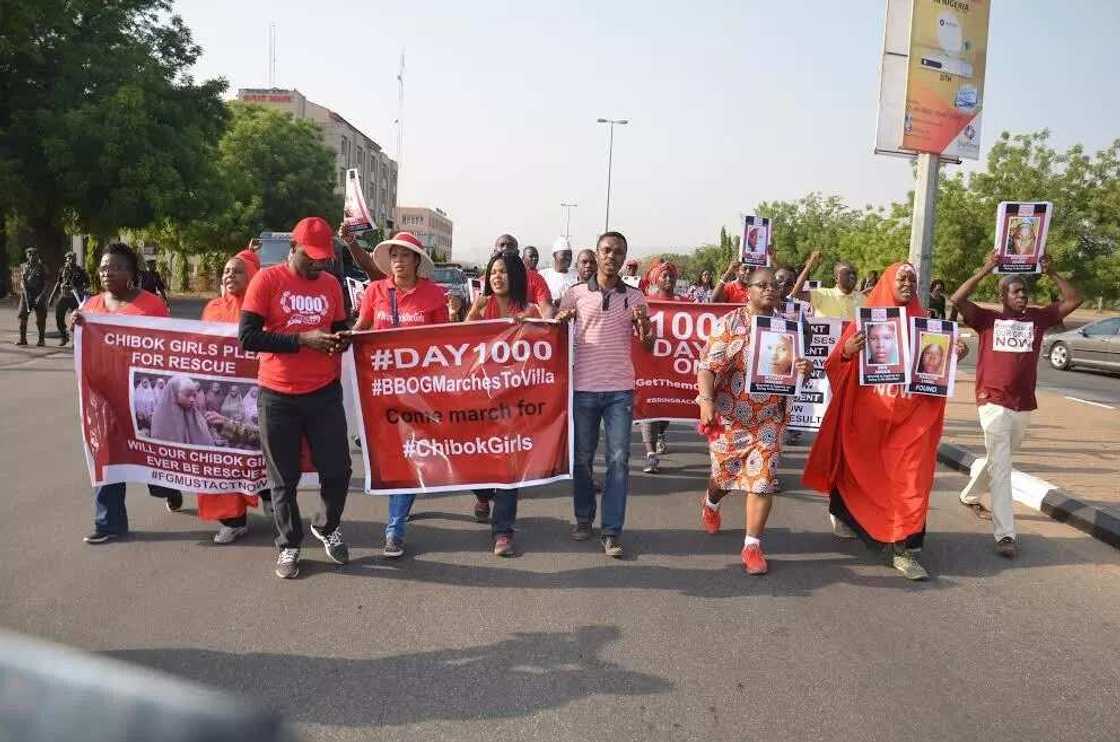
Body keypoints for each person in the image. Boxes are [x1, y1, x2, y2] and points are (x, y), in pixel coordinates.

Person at [802, 262, 968, 580]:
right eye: (901, 278)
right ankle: (848, 514)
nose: (908, 283)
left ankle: (903, 548)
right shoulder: (866, 320)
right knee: (862, 476)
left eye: (913, 280)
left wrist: (955, 353)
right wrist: (848, 351)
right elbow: (835, 364)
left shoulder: (928, 324)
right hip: (868, 420)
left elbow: (935, 366)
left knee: (912, 480)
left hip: (913, 419)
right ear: (888, 282)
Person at [239, 216, 353, 579]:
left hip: (323, 391)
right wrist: (301, 340)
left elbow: (337, 328)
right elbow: (248, 337)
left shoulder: (332, 285)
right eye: (311, 256)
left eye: (324, 257)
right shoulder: (267, 280)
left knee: (338, 470)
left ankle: (326, 524)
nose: (318, 263)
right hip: (278, 394)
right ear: (293, 247)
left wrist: (343, 338)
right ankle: (289, 545)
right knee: (282, 478)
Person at [952, 252, 1082, 558]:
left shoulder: (1038, 318)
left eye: (1025, 291)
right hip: (991, 400)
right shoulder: (987, 319)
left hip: (1023, 403)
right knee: (1002, 467)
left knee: (999, 458)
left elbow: (1074, 299)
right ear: (1004, 296)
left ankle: (969, 494)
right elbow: (958, 298)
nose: (1023, 295)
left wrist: (1053, 273)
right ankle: (1005, 535)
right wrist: (985, 269)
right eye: (1016, 291)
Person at [697, 268, 813, 574]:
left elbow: (797, 370)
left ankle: (752, 546)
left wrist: (803, 368)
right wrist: (706, 403)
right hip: (731, 418)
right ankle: (710, 503)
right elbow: (707, 368)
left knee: (763, 480)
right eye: (762, 285)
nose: (770, 290)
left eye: (774, 286)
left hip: (769, 419)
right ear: (746, 290)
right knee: (723, 478)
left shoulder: (788, 327)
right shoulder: (729, 324)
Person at [74, 242, 184, 544]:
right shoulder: (91, 305)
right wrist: (76, 324)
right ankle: (109, 524)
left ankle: (168, 487)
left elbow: (165, 347)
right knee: (107, 455)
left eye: (117, 267)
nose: (108, 272)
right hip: (104, 398)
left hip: (141, 396)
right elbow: (84, 345)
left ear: (132, 272)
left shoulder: (151, 305)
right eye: (105, 267)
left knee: (149, 460)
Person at [556, 231, 654, 558]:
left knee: (618, 461)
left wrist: (644, 327)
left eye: (618, 252)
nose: (611, 256)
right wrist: (561, 320)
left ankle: (612, 530)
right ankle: (584, 518)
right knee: (583, 459)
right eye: (606, 250)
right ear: (597, 255)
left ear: (625, 258)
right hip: (582, 388)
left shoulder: (637, 298)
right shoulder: (575, 294)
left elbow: (648, 345)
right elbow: (554, 335)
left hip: (619, 392)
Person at [352, 230, 448, 558]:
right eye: (394, 256)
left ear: (417, 261)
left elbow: (445, 343)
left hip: (418, 392)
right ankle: (402, 505)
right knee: (391, 455)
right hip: (379, 390)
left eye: (405, 256)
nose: (398, 262)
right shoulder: (375, 291)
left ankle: (395, 527)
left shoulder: (434, 295)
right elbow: (362, 328)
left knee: (410, 454)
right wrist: (341, 338)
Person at [464, 251, 541, 556]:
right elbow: (461, 346)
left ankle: (503, 532)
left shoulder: (531, 310)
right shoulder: (481, 307)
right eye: (492, 272)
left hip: (516, 404)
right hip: (479, 401)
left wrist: (530, 325)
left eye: (503, 272)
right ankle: (483, 495)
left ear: (516, 277)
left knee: (510, 467)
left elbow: (546, 348)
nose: (496, 277)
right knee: (473, 461)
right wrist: (471, 313)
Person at [200, 254, 271, 544]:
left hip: (259, 395)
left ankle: (270, 498)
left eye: (238, 271)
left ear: (253, 276)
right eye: (227, 271)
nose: (230, 275)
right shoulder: (212, 308)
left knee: (261, 453)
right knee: (223, 457)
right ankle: (232, 519)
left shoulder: (264, 310)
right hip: (221, 398)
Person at [639, 260, 684, 473]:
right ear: (657, 278)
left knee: (666, 409)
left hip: (674, 364)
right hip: (650, 363)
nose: (668, 279)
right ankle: (650, 454)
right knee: (650, 407)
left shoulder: (685, 302)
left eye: (671, 275)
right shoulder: (646, 302)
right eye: (664, 275)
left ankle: (660, 433)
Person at [791, 251, 864, 320]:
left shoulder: (863, 298)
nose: (852, 276)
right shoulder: (822, 294)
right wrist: (809, 264)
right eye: (846, 273)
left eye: (854, 273)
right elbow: (796, 294)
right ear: (836, 278)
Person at [149, 375, 215, 446]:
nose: (192, 400)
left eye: (194, 395)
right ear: (174, 394)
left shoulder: (196, 415)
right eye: (187, 395)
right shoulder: (159, 418)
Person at [48, 252, 89, 346]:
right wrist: (51, 297)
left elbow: (87, 283)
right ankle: (64, 336)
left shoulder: (80, 270)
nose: (71, 260)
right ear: (66, 259)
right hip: (64, 295)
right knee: (58, 316)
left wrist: (79, 289)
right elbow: (58, 283)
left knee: (77, 318)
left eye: (73, 258)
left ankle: (76, 341)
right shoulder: (62, 270)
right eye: (69, 258)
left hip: (75, 296)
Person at [16, 247, 47, 347]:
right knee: (22, 316)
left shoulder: (42, 267)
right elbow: (21, 280)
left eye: (34, 254)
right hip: (26, 294)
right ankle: (23, 339)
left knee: (41, 319)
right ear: (27, 256)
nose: (32, 257)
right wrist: (23, 288)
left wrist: (41, 296)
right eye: (30, 255)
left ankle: (41, 340)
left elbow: (46, 284)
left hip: (39, 294)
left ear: (37, 256)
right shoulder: (24, 266)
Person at [539, 236, 576, 304]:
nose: (568, 258)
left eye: (570, 255)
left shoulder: (576, 276)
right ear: (554, 255)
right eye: (564, 254)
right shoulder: (543, 275)